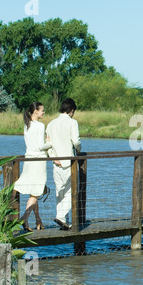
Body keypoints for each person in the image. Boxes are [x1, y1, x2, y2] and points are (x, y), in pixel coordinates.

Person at [14, 102, 51, 232]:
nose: (43, 113)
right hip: (38, 161)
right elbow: (41, 146)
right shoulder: (40, 126)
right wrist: (50, 142)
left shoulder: (27, 125)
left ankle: (38, 220)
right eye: (42, 110)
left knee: (34, 192)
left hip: (28, 159)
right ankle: (24, 218)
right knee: (35, 193)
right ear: (35, 111)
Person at [46, 98, 81, 230]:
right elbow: (76, 141)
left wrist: (53, 157)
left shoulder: (51, 124)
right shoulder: (72, 123)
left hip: (56, 163)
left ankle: (63, 219)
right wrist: (79, 150)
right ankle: (61, 217)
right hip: (69, 162)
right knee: (71, 190)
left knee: (59, 191)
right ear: (71, 110)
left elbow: (48, 144)